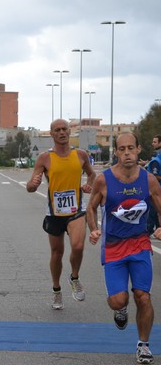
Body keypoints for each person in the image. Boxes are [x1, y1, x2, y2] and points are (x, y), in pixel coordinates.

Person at [87, 132, 161, 365]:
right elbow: (91, 208)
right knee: (119, 300)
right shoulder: (103, 180)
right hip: (114, 248)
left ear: (139, 150)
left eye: (131, 148)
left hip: (140, 245)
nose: (127, 152)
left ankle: (143, 345)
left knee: (143, 296)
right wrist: (93, 229)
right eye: (122, 149)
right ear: (116, 152)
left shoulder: (149, 180)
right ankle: (121, 311)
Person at [26, 119, 96, 310]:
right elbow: (31, 186)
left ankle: (74, 277)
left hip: (76, 210)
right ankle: (56, 290)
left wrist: (89, 184)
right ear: (52, 134)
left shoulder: (81, 155)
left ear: (69, 132)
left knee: (78, 245)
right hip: (54, 212)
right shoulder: (44, 158)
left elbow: (91, 174)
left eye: (65, 129)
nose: (62, 132)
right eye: (57, 130)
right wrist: (32, 185)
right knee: (57, 253)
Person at [142, 135, 161, 234]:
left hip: (155, 192)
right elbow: (155, 174)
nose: (152, 144)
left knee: (154, 213)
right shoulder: (156, 160)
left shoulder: (156, 160)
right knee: (154, 213)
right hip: (155, 191)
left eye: (154, 142)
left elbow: (155, 174)